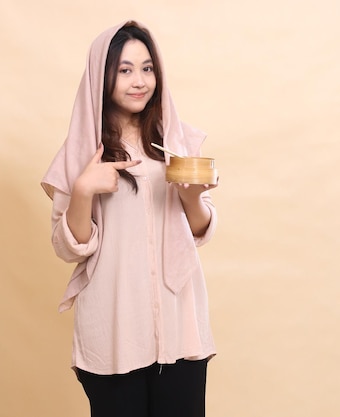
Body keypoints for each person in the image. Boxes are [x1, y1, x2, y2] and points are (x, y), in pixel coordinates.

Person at [41, 20, 219, 417]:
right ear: (101, 78)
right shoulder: (81, 153)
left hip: (181, 329)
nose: (139, 81)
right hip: (115, 332)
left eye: (147, 68)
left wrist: (193, 201)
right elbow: (68, 246)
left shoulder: (177, 144)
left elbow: (198, 232)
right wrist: (84, 190)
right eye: (124, 70)